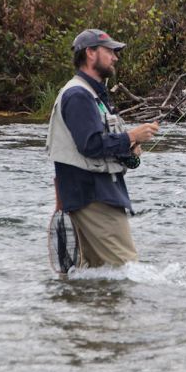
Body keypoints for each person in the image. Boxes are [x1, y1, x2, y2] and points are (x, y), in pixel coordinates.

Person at [46, 28, 159, 267]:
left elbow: (98, 143)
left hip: (95, 194)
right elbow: (91, 145)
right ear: (90, 53)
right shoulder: (78, 95)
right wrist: (131, 136)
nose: (115, 57)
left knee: (94, 274)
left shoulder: (93, 95)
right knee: (126, 270)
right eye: (110, 51)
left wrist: (129, 146)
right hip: (93, 198)